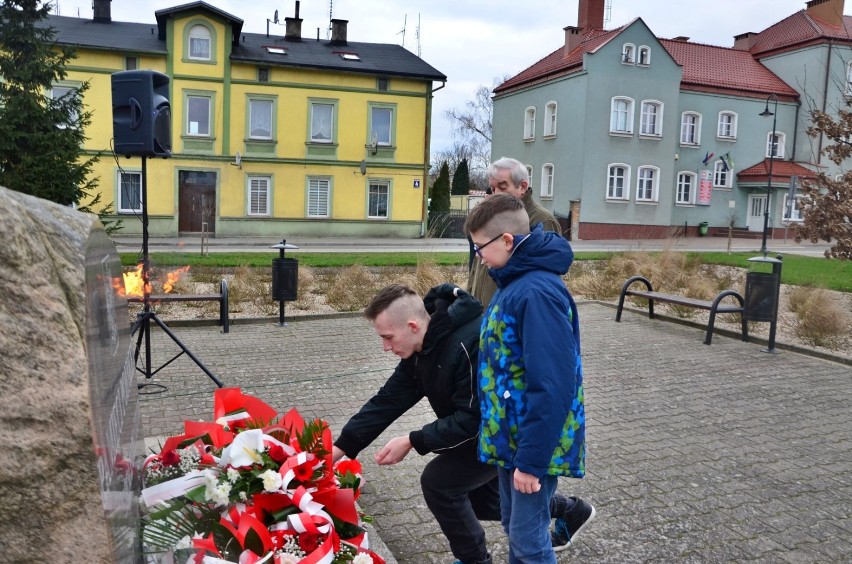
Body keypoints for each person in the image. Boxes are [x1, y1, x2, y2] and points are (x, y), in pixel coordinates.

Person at [464, 194, 594, 563]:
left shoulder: (536, 292)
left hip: (531, 443)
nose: (479, 257)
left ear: (507, 241)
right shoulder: (514, 283)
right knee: (516, 528)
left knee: (529, 541)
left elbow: (553, 383)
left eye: (480, 248)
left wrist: (532, 461)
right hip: (513, 437)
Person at [331, 283, 500, 564]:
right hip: (472, 431)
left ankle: (475, 560)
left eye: (388, 338)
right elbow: (388, 400)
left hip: (501, 433)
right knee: (486, 503)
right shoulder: (423, 346)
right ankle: (565, 509)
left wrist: (413, 440)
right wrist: (339, 449)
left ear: (411, 325)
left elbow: (474, 420)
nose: (386, 348)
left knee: (440, 482)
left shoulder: (470, 344)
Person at [467, 157, 562, 309]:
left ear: (523, 186)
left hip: (509, 315)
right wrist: (469, 299)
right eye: (493, 188)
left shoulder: (542, 221)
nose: (496, 193)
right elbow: (477, 266)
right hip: (484, 313)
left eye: (503, 187)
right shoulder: (492, 215)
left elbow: (542, 281)